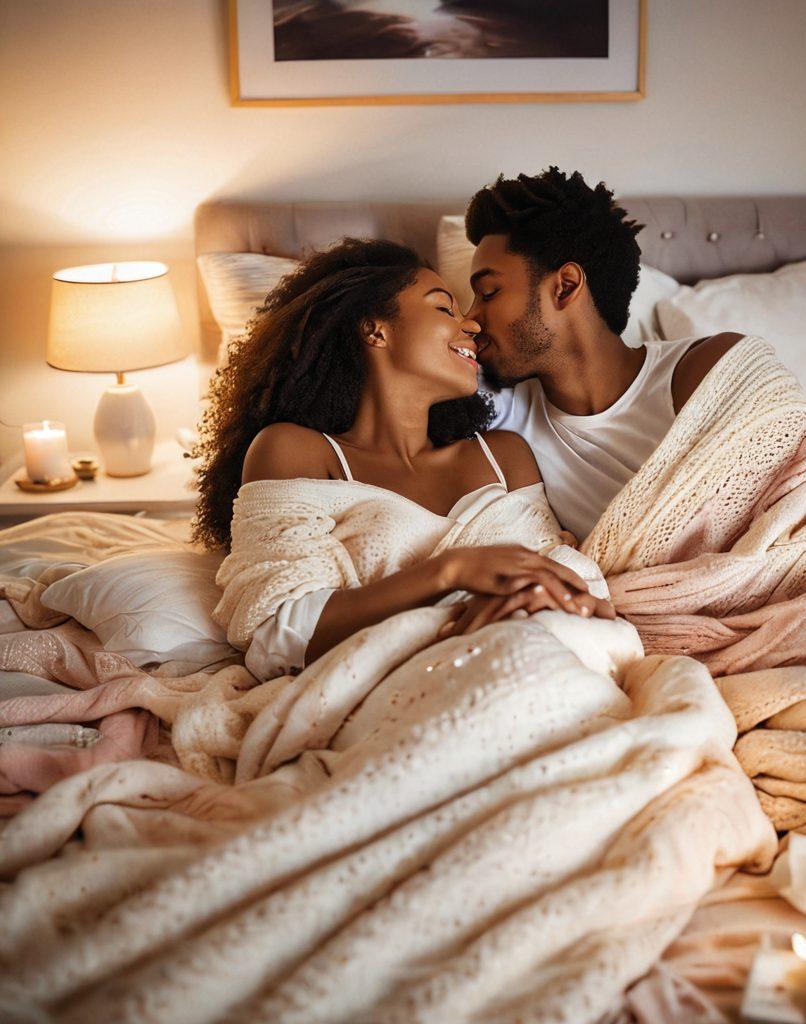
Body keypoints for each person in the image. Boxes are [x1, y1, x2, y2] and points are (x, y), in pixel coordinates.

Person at [190, 238, 614, 681]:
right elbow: (279, 634)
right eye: (443, 309)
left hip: (548, 664)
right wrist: (451, 572)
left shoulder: (504, 455)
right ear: (375, 329)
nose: (471, 323)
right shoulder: (296, 452)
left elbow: (564, 585)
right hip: (416, 690)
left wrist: (570, 595)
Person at [463, 165, 745, 542]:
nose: (470, 319)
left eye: (489, 293)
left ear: (564, 287)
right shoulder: (501, 413)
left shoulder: (708, 371)